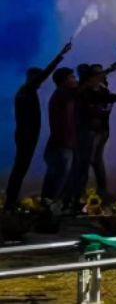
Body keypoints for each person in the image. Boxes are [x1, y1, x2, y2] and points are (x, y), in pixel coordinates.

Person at [5, 40, 71, 210]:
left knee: (21, 168)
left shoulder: (27, 91)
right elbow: (45, 74)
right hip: (26, 137)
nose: (41, 82)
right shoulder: (26, 90)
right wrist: (60, 56)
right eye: (38, 78)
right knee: (20, 168)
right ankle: (10, 203)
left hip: (26, 136)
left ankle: (11, 201)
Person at [65, 63, 116, 209]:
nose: (101, 76)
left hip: (99, 130)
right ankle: (78, 196)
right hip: (90, 130)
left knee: (92, 161)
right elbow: (102, 101)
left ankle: (88, 194)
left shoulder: (99, 89)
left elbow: (106, 100)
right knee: (86, 162)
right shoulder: (86, 91)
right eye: (97, 74)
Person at [41, 66, 78, 205]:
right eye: (72, 77)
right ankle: (51, 205)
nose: (75, 79)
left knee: (59, 175)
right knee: (60, 175)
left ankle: (51, 204)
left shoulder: (62, 95)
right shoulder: (63, 96)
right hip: (62, 143)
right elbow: (65, 123)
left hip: (61, 143)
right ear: (64, 80)